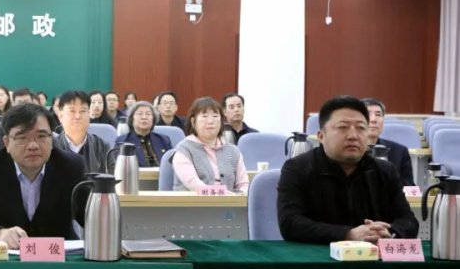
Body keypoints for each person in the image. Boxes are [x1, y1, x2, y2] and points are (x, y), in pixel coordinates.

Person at [277, 95, 418, 244]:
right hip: (318, 255)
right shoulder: (297, 168)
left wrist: (389, 232)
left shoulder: (385, 170)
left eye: (361, 128)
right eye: (343, 127)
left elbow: (408, 221)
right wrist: (348, 234)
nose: (353, 136)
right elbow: (290, 223)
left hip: (373, 255)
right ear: (321, 136)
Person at [0, 103, 87, 247]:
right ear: (7, 143)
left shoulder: (71, 166)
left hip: (60, 256)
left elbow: (90, 218)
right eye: (22, 138)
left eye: (41, 136)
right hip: (8, 257)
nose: (33, 145)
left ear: (51, 139)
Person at [172, 96, 248, 193]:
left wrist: (240, 194)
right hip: (195, 202)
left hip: (230, 202)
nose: (210, 121)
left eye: (215, 116)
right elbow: (195, 185)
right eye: (204, 116)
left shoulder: (233, 151)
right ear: (193, 121)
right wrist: (225, 194)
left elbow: (244, 184)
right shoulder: (183, 150)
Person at [53, 90, 110, 173]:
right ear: (60, 116)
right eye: (72, 111)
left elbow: (112, 177)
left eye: (83, 111)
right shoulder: (51, 147)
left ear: (89, 114)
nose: (77, 116)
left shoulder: (102, 146)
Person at [362, 97, 414, 186]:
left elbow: (409, 187)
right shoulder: (347, 151)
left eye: (378, 115)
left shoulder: (399, 151)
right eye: (367, 114)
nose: (373, 119)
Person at [116, 101, 172, 167]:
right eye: (140, 114)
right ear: (132, 119)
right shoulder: (123, 141)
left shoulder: (164, 140)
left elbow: (172, 164)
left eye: (148, 114)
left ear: (153, 119)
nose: (144, 117)